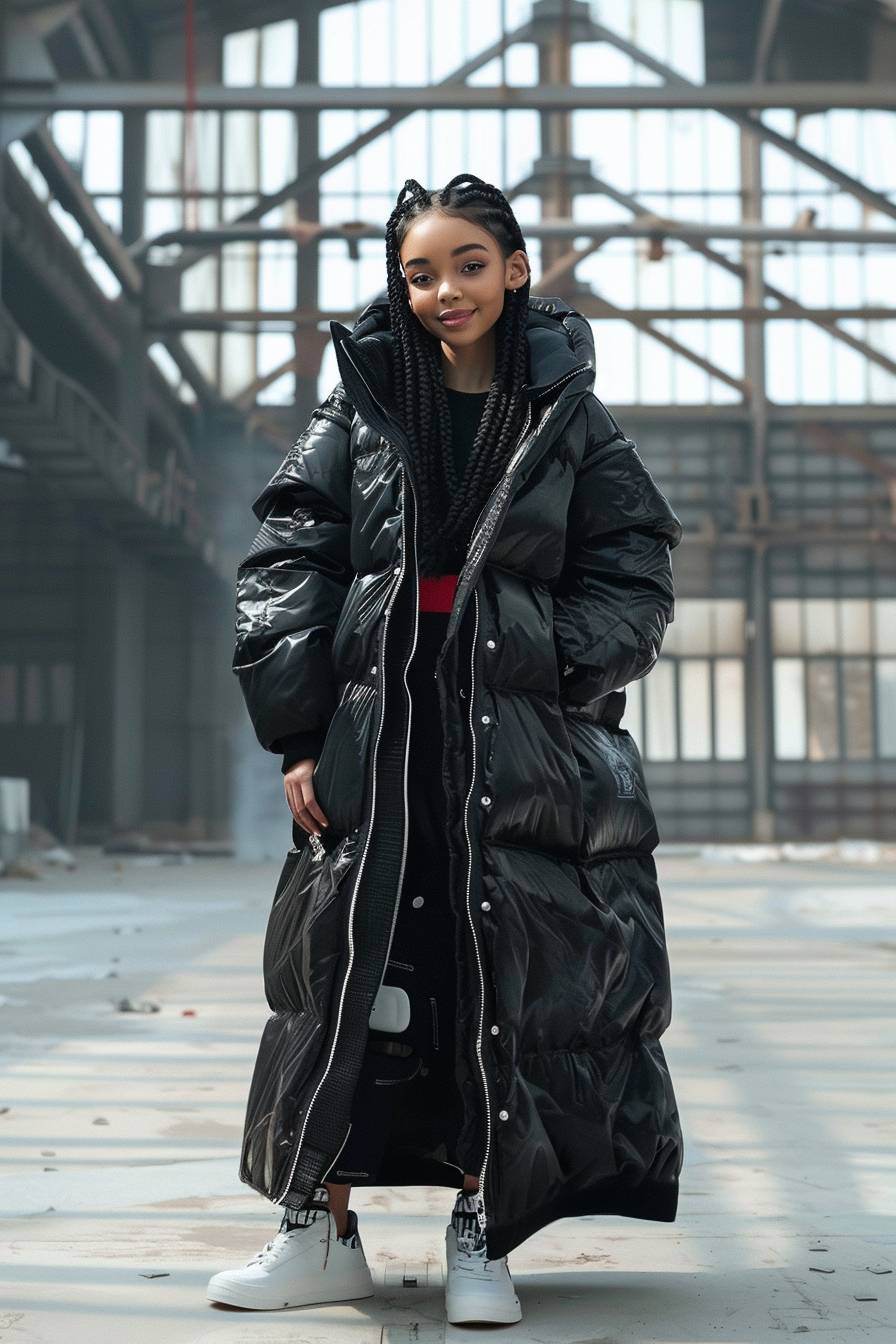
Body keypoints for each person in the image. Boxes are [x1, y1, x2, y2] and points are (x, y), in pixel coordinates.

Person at [209, 174, 684, 1327]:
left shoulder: (566, 414)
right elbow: (286, 565)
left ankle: (484, 1227)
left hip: (512, 734)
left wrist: (558, 665)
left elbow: (635, 562)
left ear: (514, 270)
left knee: (497, 969)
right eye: (419, 271)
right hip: (378, 728)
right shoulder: (361, 403)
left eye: (468, 264)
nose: (443, 290)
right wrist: (300, 727)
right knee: (344, 968)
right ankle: (318, 1230)